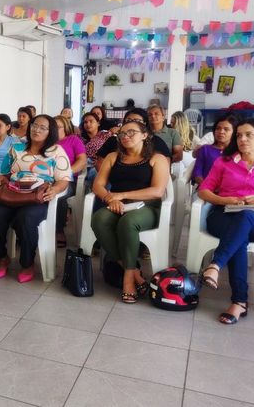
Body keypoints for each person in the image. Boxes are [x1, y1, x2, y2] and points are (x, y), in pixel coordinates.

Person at [197, 118, 254, 324]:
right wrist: (224, 199)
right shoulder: (224, 162)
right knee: (239, 234)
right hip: (223, 215)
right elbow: (203, 191)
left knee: (245, 219)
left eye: (249, 135)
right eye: (239, 135)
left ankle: (216, 265)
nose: (242, 139)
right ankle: (239, 302)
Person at [0, 114, 71, 282]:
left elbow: (64, 180)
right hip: (13, 193)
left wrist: (55, 190)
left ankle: (27, 263)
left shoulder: (56, 152)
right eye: (34, 125)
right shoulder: (16, 148)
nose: (36, 129)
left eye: (42, 127)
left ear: (50, 132)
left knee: (26, 218)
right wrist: (2, 182)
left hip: (37, 196)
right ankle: (2, 258)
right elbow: (3, 173)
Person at [90, 119, 169, 303]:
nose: (125, 137)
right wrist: (110, 198)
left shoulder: (157, 159)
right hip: (117, 204)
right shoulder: (112, 157)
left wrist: (121, 194)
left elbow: (157, 191)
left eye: (131, 132)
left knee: (128, 222)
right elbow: (98, 185)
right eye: (122, 133)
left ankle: (128, 279)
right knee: (99, 219)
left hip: (147, 207)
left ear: (145, 135)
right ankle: (134, 272)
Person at [95, 107, 172, 171]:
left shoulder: (156, 141)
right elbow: (100, 163)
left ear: (145, 124)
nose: (132, 123)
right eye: (129, 120)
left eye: (137, 121)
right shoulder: (113, 140)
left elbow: (166, 166)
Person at [55, 115, 87, 247]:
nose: (54, 129)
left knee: (59, 197)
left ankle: (58, 230)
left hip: (68, 179)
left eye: (57, 127)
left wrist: (66, 172)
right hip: (48, 178)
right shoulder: (46, 142)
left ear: (66, 128)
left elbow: (82, 161)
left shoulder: (73, 140)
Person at [192, 114, 237, 186]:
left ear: (234, 132)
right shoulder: (205, 149)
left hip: (231, 193)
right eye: (218, 128)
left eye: (226, 129)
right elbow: (197, 174)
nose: (221, 132)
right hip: (206, 191)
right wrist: (208, 188)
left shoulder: (237, 152)